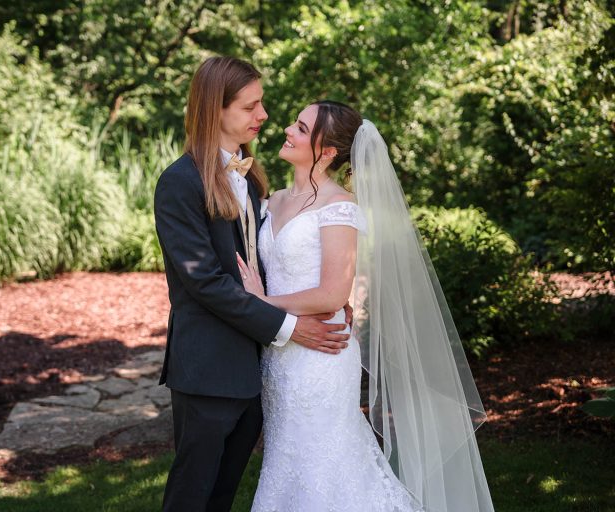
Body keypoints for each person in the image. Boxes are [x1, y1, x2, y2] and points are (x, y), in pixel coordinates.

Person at [238, 101, 495, 511]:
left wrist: (261, 302)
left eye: (301, 128)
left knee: (324, 464)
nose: (288, 129)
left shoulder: (340, 207)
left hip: (320, 357)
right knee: (288, 461)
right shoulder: (272, 200)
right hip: (279, 356)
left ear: (326, 152)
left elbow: (333, 294)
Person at [153, 58, 352, 512]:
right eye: (251, 106)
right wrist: (289, 325)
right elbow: (205, 281)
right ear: (215, 110)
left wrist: (325, 300)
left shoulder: (253, 179)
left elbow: (270, 263)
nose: (263, 116)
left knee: (222, 496)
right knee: (191, 496)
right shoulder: (179, 183)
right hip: (207, 368)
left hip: (256, 370)